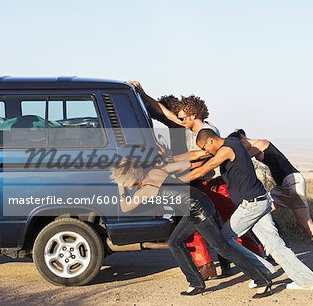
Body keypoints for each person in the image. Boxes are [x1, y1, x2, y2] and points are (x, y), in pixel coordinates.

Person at [179, 129, 313, 291]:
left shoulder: (227, 149)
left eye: (205, 147)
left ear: (210, 141)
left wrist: (171, 182)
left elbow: (203, 170)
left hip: (252, 204)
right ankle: (307, 280)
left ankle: (261, 269)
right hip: (259, 201)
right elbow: (197, 157)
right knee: (274, 244)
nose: (205, 151)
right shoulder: (230, 145)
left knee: (224, 240)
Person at [110, 158, 272, 298]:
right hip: (198, 205)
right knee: (175, 242)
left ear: (129, 178)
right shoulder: (155, 172)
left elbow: (125, 207)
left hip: (199, 210)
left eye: (123, 180)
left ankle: (262, 280)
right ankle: (196, 283)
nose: (124, 184)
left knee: (222, 248)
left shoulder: (145, 190)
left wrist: (120, 189)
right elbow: (182, 165)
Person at [129, 81, 217, 280]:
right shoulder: (189, 129)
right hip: (196, 179)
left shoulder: (190, 129)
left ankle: (207, 265)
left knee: (194, 223)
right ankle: (218, 264)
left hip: (200, 180)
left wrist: (142, 93)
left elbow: (162, 113)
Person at [175, 96, 264, 275]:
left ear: (192, 115)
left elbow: (205, 162)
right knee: (211, 226)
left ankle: (256, 259)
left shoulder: (208, 132)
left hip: (215, 184)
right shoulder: (192, 133)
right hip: (203, 184)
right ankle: (217, 266)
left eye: (183, 118)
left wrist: (177, 176)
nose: (180, 121)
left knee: (231, 224)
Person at [228, 129, 313, 274]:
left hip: (292, 182)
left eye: (238, 144)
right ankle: (277, 248)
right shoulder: (256, 147)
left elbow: (242, 159)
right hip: (284, 185)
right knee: (260, 211)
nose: (238, 148)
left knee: (305, 222)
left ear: (243, 138)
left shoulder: (261, 143)